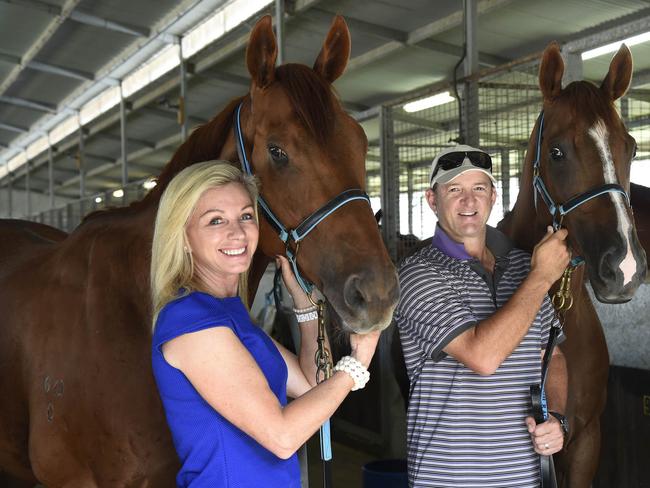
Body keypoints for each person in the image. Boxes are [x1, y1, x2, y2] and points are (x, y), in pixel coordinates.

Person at [150, 161, 380, 487]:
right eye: (215, 220)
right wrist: (358, 363)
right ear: (183, 237)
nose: (237, 232)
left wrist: (306, 307)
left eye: (245, 216)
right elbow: (283, 437)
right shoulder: (192, 322)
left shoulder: (229, 314)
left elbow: (313, 386)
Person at [395, 145, 570, 487]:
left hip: (524, 477)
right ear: (432, 200)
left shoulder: (524, 267)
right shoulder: (416, 275)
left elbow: (554, 357)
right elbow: (483, 356)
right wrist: (541, 278)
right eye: (454, 190)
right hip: (449, 478)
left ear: (492, 196)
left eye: (478, 189)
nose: (468, 201)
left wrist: (558, 418)